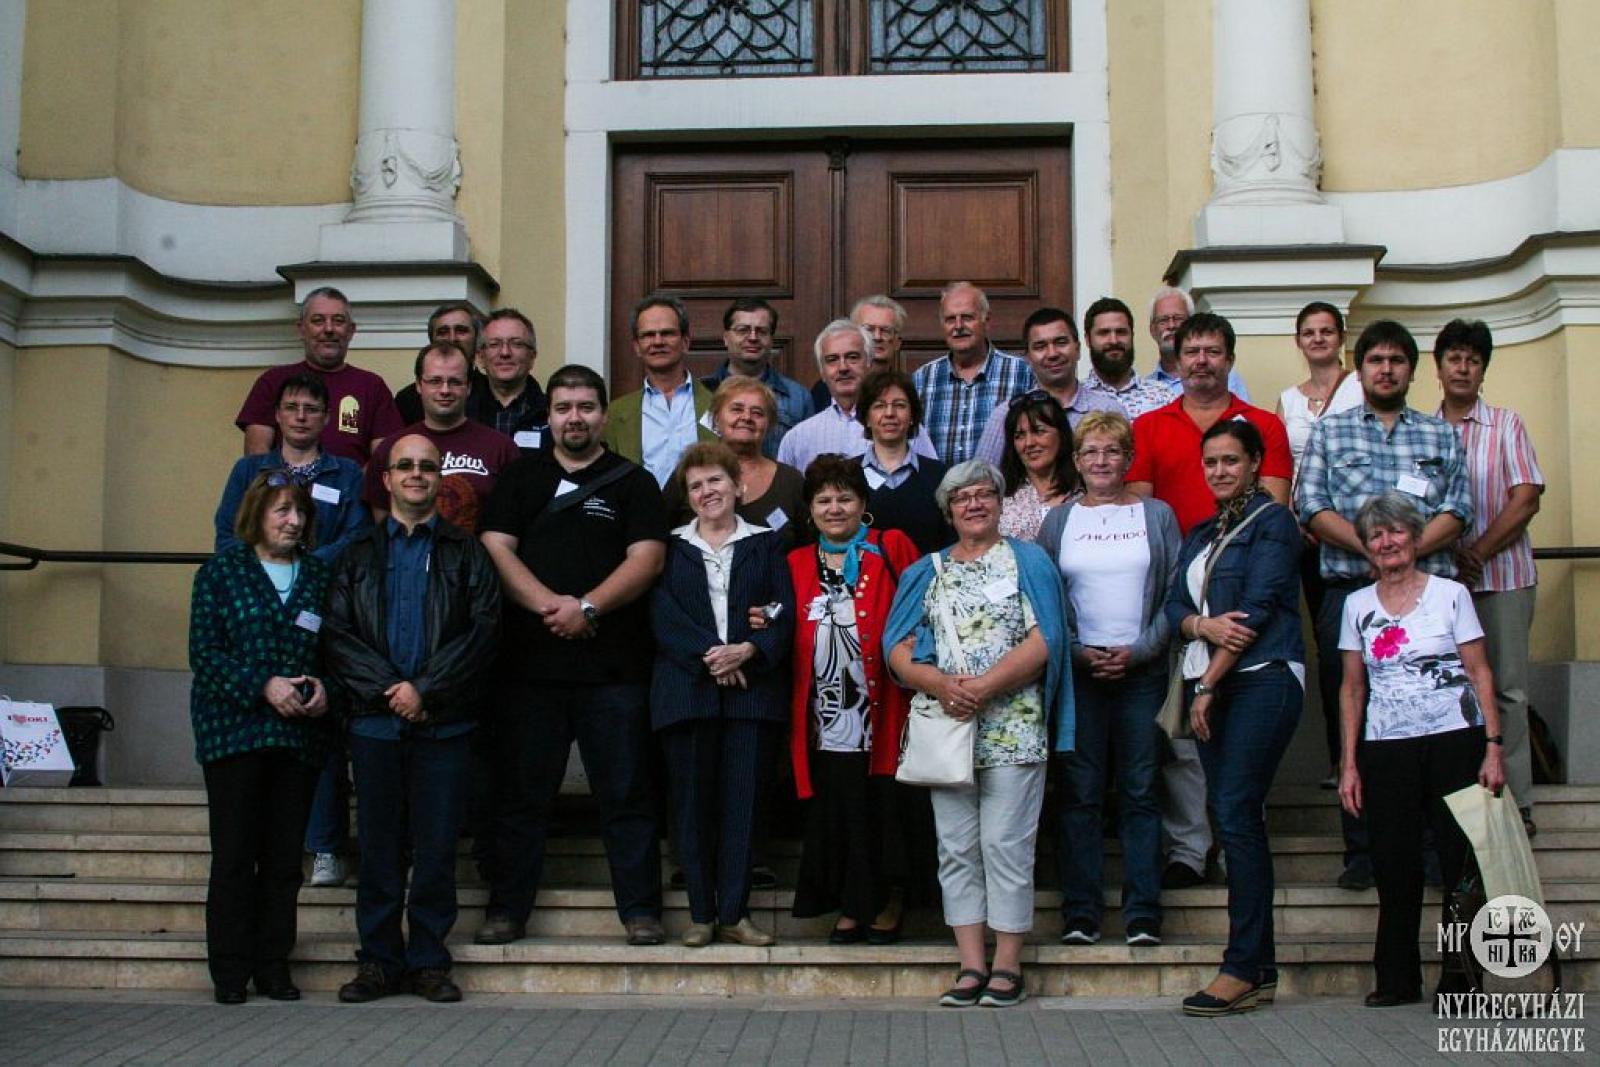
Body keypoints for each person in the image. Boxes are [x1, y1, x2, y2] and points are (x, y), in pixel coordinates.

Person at [477, 365, 670, 948]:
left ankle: (640, 911)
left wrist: (587, 608)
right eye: (563, 408)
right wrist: (550, 606)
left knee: (627, 794)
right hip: (530, 669)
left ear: (603, 415)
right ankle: (507, 910)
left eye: (586, 407)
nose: (574, 418)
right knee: (521, 797)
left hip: (615, 671)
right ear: (549, 416)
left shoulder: (634, 482)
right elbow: (495, 546)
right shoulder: (520, 477)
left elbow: (648, 559)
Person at [885, 460, 1074, 1009]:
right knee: (956, 848)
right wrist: (939, 683)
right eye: (961, 498)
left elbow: (1048, 637)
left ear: (999, 502)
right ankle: (970, 964)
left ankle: (1008, 965)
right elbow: (896, 648)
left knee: (1005, 845)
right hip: (949, 730)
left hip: (1014, 728)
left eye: (983, 494)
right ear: (948, 511)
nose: (973, 504)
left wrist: (985, 687)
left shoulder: (1028, 560)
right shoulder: (926, 571)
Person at [322, 434, 501, 1004]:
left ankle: (428, 962)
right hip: (374, 725)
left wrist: (424, 690)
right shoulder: (356, 554)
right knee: (378, 849)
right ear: (387, 479)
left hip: (444, 724)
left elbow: (483, 631)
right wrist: (390, 690)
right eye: (406, 466)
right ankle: (378, 962)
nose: (417, 474)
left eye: (427, 466)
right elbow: (336, 634)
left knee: (436, 848)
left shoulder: (467, 552)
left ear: (439, 478)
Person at [1297, 319, 1473, 892]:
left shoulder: (1439, 435)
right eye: (1376, 360)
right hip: (1351, 596)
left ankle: (1431, 848)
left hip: (1427, 601)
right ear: (1361, 368)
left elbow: (1459, 509)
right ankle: (1364, 849)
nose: (1387, 369)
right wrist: (1374, 551)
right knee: (1353, 719)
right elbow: (1311, 506)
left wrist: (1404, 554)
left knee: (1433, 719)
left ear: (1411, 371)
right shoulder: (1331, 432)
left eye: (1397, 360)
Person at [1126, 311, 1292, 892]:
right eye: (1191, 350)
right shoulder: (1150, 426)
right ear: (1176, 357)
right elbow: (1144, 516)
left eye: (1212, 351)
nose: (1201, 360)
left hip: (1246, 588)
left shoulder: (1263, 425)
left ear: (1229, 359)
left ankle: (1238, 844)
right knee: (1184, 739)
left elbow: (1273, 506)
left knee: (1243, 733)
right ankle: (1190, 849)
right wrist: (1186, 606)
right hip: (1184, 588)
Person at [1337, 491, 1506, 1008]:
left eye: (1396, 531)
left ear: (1415, 537)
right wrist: (1349, 764)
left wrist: (1493, 746)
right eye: (1376, 535)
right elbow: (1352, 688)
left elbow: (1479, 671)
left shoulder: (1450, 594)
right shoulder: (1356, 605)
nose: (1387, 542)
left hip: (1456, 740)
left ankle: (1462, 981)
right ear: (1367, 546)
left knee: (1459, 863)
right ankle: (1396, 979)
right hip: (1386, 747)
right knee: (1393, 862)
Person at [1164, 419, 1304, 1017]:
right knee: (1231, 815)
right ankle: (1260, 968)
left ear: (1253, 464)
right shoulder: (1203, 532)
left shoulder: (1273, 522)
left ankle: (1241, 967)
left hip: (1262, 678)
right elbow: (1174, 605)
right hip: (1216, 686)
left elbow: (1257, 609)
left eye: (1230, 460)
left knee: (1236, 812)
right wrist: (1199, 624)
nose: (1219, 471)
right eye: (1211, 462)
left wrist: (1207, 684)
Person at [213, 372, 371, 889]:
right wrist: (265, 568)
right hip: (255, 615)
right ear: (277, 415)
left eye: (311, 408)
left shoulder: (346, 473)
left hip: (323, 611)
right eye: (292, 407)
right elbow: (227, 534)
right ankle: (264, 842)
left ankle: (324, 845)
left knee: (317, 727)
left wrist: (305, 565)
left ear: (327, 418)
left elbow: (358, 535)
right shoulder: (250, 471)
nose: (301, 416)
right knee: (259, 728)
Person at [188, 471, 333, 1005]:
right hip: (234, 735)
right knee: (234, 857)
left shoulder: (318, 575)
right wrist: (262, 685)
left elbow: (335, 649)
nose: (293, 521)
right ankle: (230, 971)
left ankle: (273, 965)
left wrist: (327, 688)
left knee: (283, 860)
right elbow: (205, 654)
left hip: (297, 740)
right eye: (282, 511)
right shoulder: (221, 573)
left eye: (300, 512)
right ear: (257, 515)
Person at [1036, 411, 1180, 947]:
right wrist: (1077, 652)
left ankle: (1143, 913)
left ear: (1128, 459)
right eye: (1091, 452)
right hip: (1082, 677)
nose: (1101, 461)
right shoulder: (1059, 522)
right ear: (1076, 461)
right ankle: (1081, 913)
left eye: (1112, 451)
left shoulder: (1156, 515)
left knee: (1141, 790)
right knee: (1080, 793)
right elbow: (1047, 599)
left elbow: (1175, 594)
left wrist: (1140, 650)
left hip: (1142, 673)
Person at [651, 442, 794, 947]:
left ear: (738, 486)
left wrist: (749, 650)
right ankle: (700, 914)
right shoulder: (670, 547)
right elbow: (662, 613)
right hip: (687, 691)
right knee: (691, 807)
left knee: (743, 805)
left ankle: (734, 913)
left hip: (752, 694)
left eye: (715, 480)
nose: (707, 491)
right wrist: (714, 656)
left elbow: (783, 607)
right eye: (696, 485)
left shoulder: (768, 544)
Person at [785, 456, 923, 947]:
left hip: (884, 705)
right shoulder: (796, 562)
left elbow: (923, 605)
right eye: (823, 500)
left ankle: (887, 898)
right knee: (840, 807)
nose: (834, 508)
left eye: (845, 498)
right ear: (810, 510)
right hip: (825, 714)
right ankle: (852, 902)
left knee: (883, 806)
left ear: (863, 503)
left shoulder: (891, 546)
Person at [1434, 319, 1543, 835]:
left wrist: (1477, 550)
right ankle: (1461, 800)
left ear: (1483, 370)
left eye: (1473, 360)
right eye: (1454, 358)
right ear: (1438, 368)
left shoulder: (1506, 425)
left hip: (1503, 578)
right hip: (1441, 585)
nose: (1463, 368)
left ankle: (1517, 803)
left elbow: (1525, 498)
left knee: (1507, 690)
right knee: (1450, 694)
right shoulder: (1423, 429)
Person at [1277, 301, 1363, 783]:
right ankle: (1338, 756)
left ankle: (1369, 754)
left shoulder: (1360, 385)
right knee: (1329, 649)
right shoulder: (1288, 399)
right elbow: (1279, 466)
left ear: (1341, 336)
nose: (1318, 339)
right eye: (1309, 332)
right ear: (1298, 341)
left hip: (1355, 535)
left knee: (1364, 645)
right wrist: (1297, 519)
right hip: (1307, 539)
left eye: (1326, 331)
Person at [235, 287, 404, 465]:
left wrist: (352, 481)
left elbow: (383, 458)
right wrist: (283, 483)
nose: (329, 329)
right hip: (282, 481)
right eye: (318, 321)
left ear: (351, 330)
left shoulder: (372, 386)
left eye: (338, 321)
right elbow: (257, 453)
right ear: (301, 329)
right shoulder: (273, 381)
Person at [364, 342, 520, 533]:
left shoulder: (501, 449)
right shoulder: (392, 448)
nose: (445, 390)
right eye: (435, 381)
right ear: (419, 385)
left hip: (479, 551)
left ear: (469, 387)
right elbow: (381, 526)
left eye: (455, 382)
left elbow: (512, 525)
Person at [662, 377, 807, 551]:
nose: (746, 417)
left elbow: (808, 548)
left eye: (757, 413)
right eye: (736, 409)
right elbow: (658, 537)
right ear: (716, 419)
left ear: (769, 424)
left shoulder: (791, 481)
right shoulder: (690, 472)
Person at [778, 320, 938, 473]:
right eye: (832, 360)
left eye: (852, 357)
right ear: (822, 371)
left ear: (869, 363)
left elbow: (930, 482)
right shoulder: (797, 438)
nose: (843, 368)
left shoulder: (902, 427)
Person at [974, 306, 1125, 466]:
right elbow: (982, 476)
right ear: (1028, 358)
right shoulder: (1006, 414)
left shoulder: (1108, 411)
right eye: (1040, 346)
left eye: (1061, 343)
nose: (1052, 354)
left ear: (1078, 349)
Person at [912, 282, 1036, 466]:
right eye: (950, 319)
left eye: (967, 317)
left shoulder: (1021, 372)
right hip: (938, 484)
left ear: (987, 321)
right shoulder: (922, 379)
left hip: (1002, 483)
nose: (958, 326)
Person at [605, 296, 718, 486]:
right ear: (637, 347)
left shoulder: (717, 405)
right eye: (648, 335)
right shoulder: (616, 413)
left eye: (667, 333)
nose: (658, 341)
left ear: (685, 342)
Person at [856, 367, 952, 554]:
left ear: (912, 416)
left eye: (899, 405)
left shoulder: (939, 475)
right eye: (879, 406)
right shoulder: (848, 475)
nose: (889, 413)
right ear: (866, 418)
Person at [702, 297, 814, 457]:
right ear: (726, 337)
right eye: (743, 330)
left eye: (762, 331)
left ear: (771, 340)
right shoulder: (700, 392)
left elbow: (806, 457)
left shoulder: (799, 398)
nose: (753, 337)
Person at [1145, 286, 1250, 401]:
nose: (1171, 325)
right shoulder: (1145, 389)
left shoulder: (1226, 378)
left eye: (1178, 318)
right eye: (1163, 320)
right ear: (1152, 330)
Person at [998, 391, 1078, 541]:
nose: (1029, 443)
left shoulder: (1084, 491)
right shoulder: (1001, 497)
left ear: (1062, 435)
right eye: (1020, 435)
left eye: (1039, 431)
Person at [394, 303, 492, 426]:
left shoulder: (493, 393)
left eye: (461, 331)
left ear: (476, 338)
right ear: (431, 340)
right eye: (443, 332)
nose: (452, 338)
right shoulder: (407, 399)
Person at [1080, 296, 1173, 420]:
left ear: (1132, 336)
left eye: (1121, 332)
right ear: (1088, 339)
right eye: (1104, 333)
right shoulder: (1077, 398)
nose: (1114, 340)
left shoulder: (1163, 396)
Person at [467, 308, 548, 441]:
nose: (505, 353)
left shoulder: (550, 413)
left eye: (516, 344)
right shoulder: (462, 412)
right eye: (495, 344)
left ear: (532, 357)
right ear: (480, 357)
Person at [813, 295, 906, 410]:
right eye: (868, 330)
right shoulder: (826, 389)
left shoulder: (905, 390)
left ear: (897, 342)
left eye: (886, 331)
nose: (877, 337)